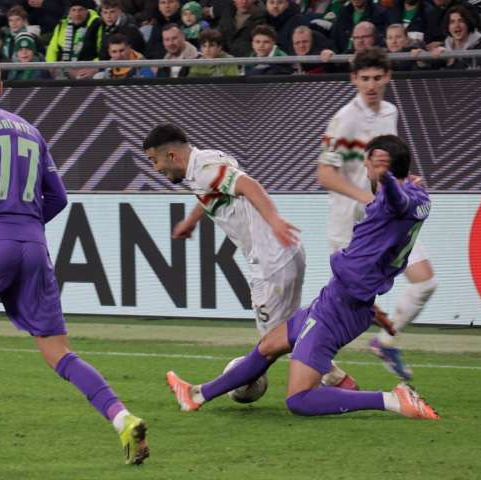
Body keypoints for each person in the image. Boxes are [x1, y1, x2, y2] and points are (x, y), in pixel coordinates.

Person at [0, 56, 149, 468]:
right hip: (33, 246)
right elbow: (58, 197)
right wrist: (22, 224)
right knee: (59, 352)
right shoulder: (30, 130)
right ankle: (122, 418)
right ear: (0, 87)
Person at [166, 134, 439, 421]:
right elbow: (405, 201)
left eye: (370, 165)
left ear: (383, 167)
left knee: (299, 400)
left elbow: (396, 201)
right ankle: (196, 395)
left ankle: (392, 400)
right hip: (344, 298)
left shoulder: (391, 201)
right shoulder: (419, 197)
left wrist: (387, 180)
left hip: (339, 307)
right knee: (268, 346)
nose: (367, 170)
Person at [143, 124, 358, 409]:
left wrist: (274, 220)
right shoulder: (206, 162)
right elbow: (214, 193)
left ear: (171, 155)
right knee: (286, 334)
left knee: (272, 343)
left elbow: (248, 185)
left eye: (154, 160)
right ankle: (337, 382)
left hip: (271, 262)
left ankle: (332, 385)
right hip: (281, 256)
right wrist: (191, 221)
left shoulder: (204, 168)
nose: (155, 168)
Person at [317, 47, 437, 381]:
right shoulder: (345, 119)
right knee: (345, 307)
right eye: (365, 78)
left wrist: (405, 182)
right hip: (351, 227)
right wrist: (369, 199)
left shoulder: (390, 112)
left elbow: (389, 167)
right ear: (354, 79)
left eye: (377, 78)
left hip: (386, 222)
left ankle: (384, 343)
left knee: (426, 282)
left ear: (388, 77)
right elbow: (324, 175)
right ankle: (319, 363)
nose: (371, 85)